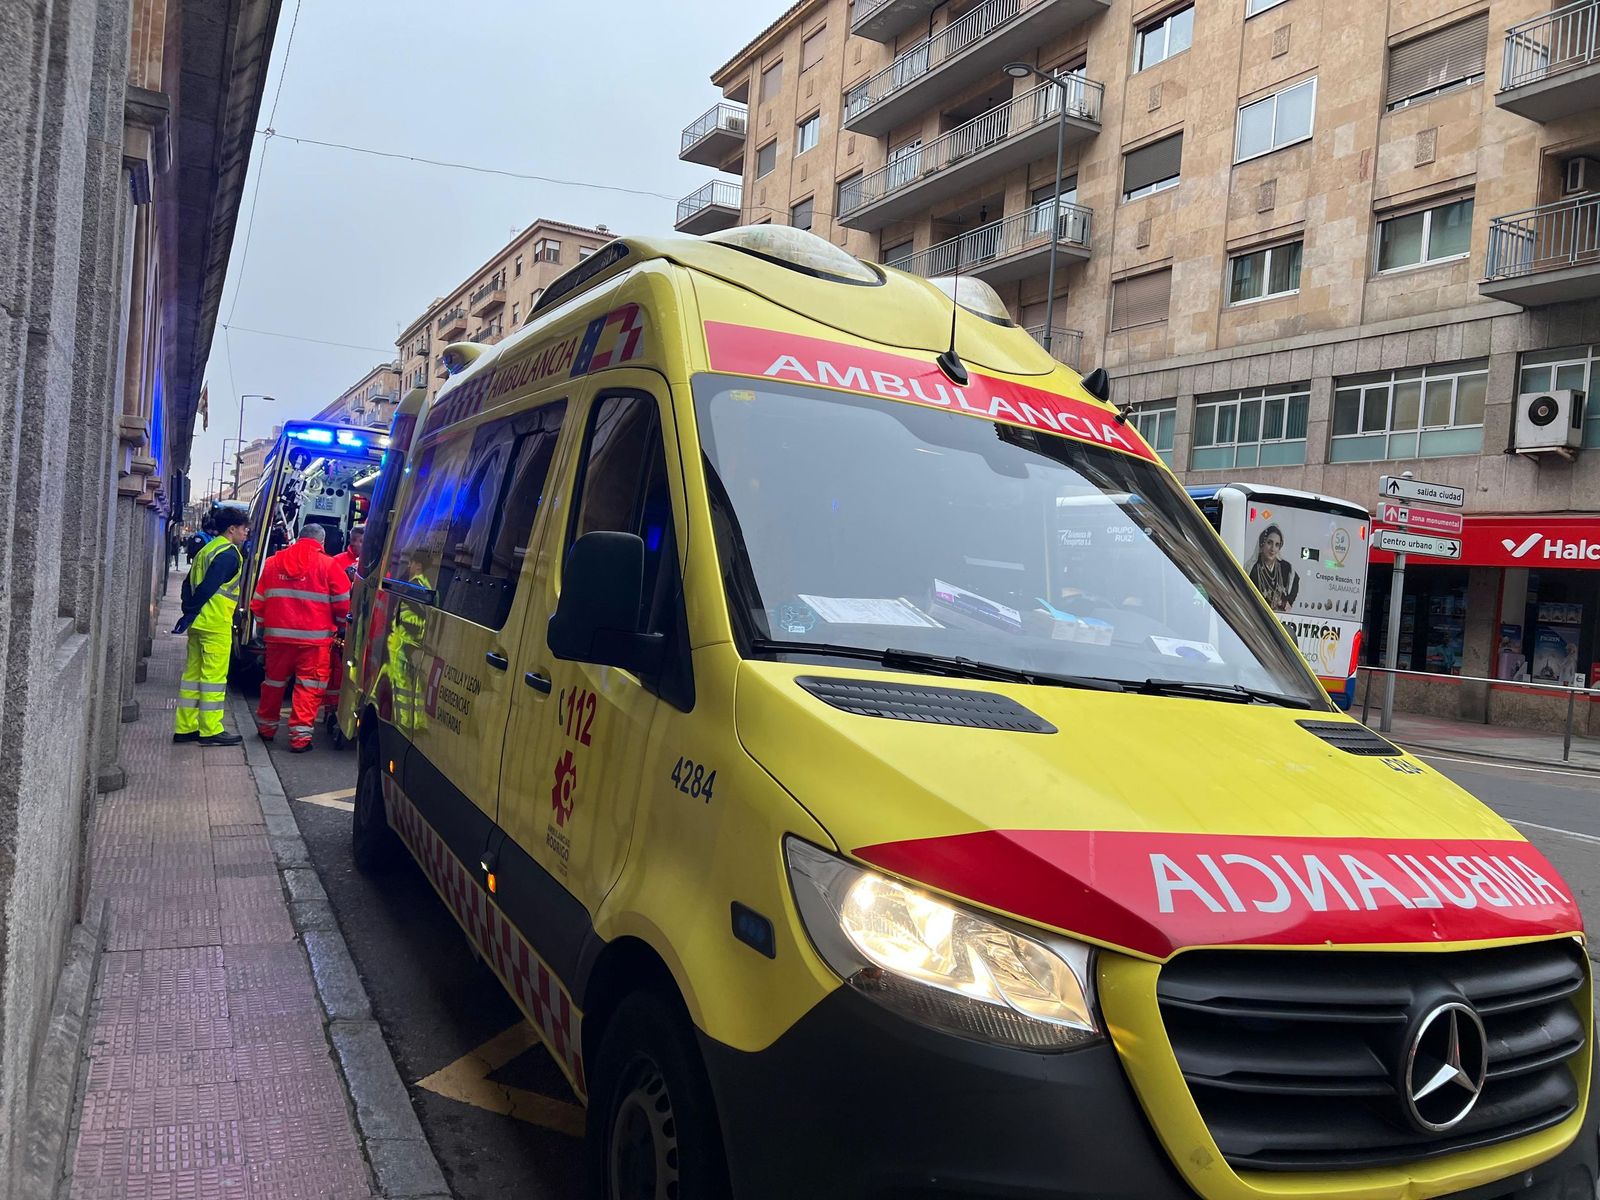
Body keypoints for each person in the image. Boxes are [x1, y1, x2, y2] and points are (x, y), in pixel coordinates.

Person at [250, 523, 351, 752]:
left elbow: (259, 602)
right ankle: (299, 739)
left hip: (278, 639)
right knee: (308, 687)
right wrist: (341, 626)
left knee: (273, 684)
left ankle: (266, 728)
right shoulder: (329, 565)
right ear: (321, 542)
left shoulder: (273, 562)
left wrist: (265, 628)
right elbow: (343, 603)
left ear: (300, 537)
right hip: (314, 642)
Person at [172, 508, 250, 746]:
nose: (246, 533)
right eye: (244, 529)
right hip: (215, 623)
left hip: (199, 623)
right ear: (232, 529)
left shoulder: (208, 549)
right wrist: (193, 610)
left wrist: (189, 612)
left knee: (192, 676)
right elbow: (208, 586)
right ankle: (211, 729)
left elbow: (188, 584)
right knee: (213, 678)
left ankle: (185, 727)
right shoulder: (229, 554)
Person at [321, 524, 364, 719]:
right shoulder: (337, 562)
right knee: (337, 671)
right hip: (341, 626)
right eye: (358, 540)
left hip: (362, 624)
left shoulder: (375, 564)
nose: (360, 545)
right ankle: (331, 709)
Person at [1246, 523, 1299, 613]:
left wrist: (1289, 601)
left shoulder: (1285, 567)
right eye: (1269, 543)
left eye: (1277, 545)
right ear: (1262, 544)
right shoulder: (1252, 568)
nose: (1273, 549)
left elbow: (1295, 580)